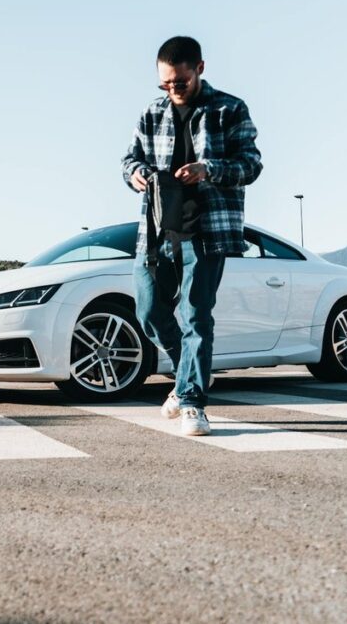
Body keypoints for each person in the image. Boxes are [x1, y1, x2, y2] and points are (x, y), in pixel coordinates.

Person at [121, 36, 262, 435]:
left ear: (199, 69)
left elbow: (251, 164)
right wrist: (133, 174)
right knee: (148, 311)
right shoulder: (152, 112)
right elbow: (128, 157)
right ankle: (188, 373)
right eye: (164, 84)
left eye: (179, 83)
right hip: (157, 228)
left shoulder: (229, 109)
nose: (172, 90)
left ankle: (192, 402)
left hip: (207, 229)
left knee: (196, 315)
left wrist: (208, 169)